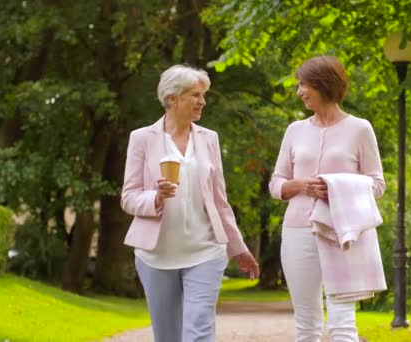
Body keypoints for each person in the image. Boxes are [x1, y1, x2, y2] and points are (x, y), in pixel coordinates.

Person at [120, 64, 259, 342]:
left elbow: (220, 200)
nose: (202, 101)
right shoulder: (142, 138)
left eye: (203, 95)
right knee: (168, 335)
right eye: (195, 95)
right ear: (172, 98)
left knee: (199, 330)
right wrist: (155, 198)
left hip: (205, 251)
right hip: (156, 255)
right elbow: (129, 196)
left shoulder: (209, 139)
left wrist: (237, 247)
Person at [269, 56, 386, 342]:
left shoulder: (360, 129)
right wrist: (299, 185)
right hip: (297, 231)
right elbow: (276, 184)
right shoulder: (295, 130)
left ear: (324, 84)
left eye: (303, 84)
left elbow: (377, 183)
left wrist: (336, 186)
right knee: (306, 322)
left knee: (342, 321)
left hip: (342, 232)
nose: (299, 91)